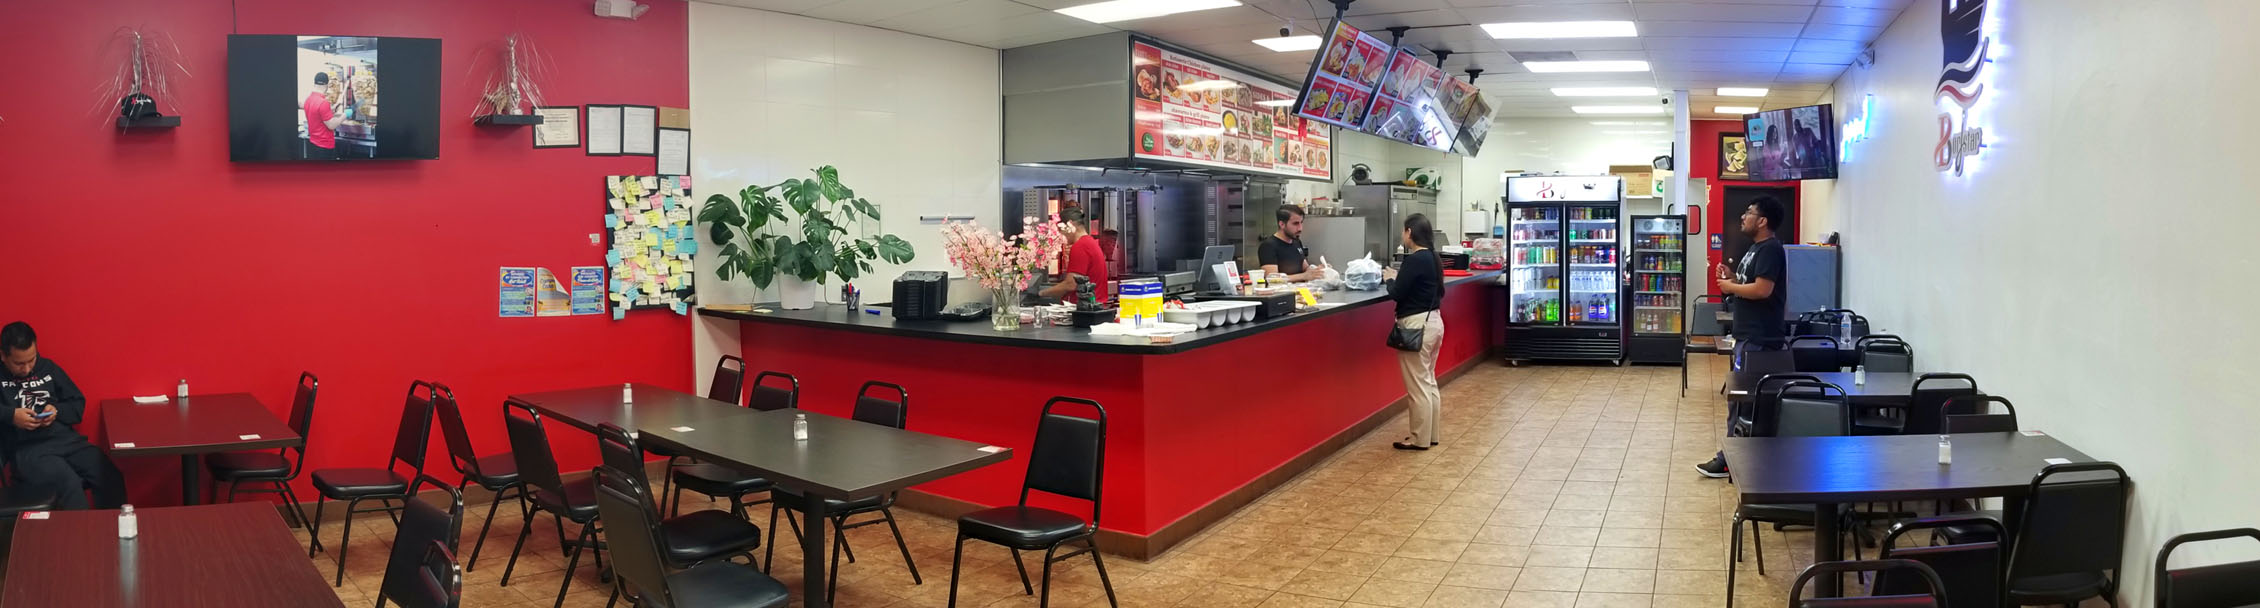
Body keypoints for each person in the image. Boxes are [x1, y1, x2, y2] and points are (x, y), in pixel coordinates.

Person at [1694, 197, 1789, 478]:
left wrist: (1731, 286)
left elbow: (1762, 290)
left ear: (1763, 221)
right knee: (1740, 399)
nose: (1743, 216)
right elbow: (1751, 284)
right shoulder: (1755, 249)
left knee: (1745, 401)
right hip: (1748, 336)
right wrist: (1733, 277)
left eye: (1749, 212)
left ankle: (1731, 460)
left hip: (1760, 339)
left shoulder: (1771, 249)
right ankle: (1736, 456)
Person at [1, 322, 126, 509]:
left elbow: (77, 404)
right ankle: (83, 537)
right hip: (27, 449)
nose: (26, 369)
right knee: (69, 485)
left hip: (64, 440)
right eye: (19, 363)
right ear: (3, 356)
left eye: (31, 360)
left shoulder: (48, 368)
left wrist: (56, 410)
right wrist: (11, 415)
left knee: (109, 475)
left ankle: (113, 533)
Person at [1383, 214, 1444, 451]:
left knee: (1418, 387)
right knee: (1428, 382)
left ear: (1409, 232)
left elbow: (1397, 293)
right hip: (1434, 322)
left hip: (1416, 326)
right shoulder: (1433, 257)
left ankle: (1419, 439)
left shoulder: (1415, 259)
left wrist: (1390, 279)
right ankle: (1432, 435)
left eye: (1403, 231)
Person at [1039, 207, 1109, 305]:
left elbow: (1071, 284)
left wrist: (1041, 293)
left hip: (1085, 309)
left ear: (1070, 224)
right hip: (1095, 305)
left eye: (1060, 230)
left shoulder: (1080, 246)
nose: (1061, 234)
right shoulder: (1090, 242)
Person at [1257, 205, 1327, 283]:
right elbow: (1271, 278)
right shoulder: (1268, 246)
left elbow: (1306, 268)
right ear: (1282, 224)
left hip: (1300, 292)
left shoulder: (1296, 242)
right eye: (1295, 223)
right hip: (1282, 294)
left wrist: (1319, 270)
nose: (1300, 228)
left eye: (1301, 223)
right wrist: (1304, 276)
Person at [303, 72, 346, 160]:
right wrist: (344, 115)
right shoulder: (323, 103)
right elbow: (331, 125)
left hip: (313, 143)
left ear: (314, 83)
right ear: (327, 85)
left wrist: (331, 110)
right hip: (325, 146)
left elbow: (318, 116)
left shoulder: (308, 99)